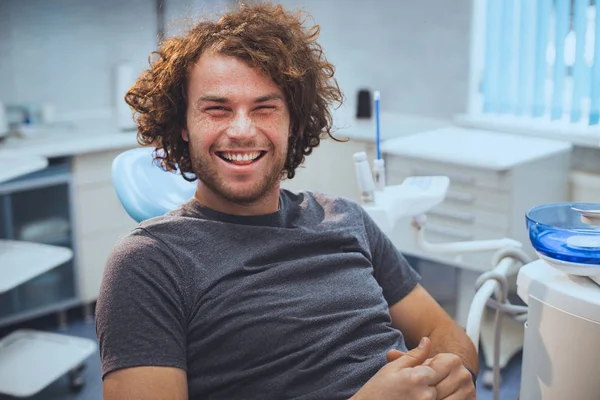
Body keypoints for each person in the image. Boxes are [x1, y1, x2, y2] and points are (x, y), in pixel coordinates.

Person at [95, 2, 478, 399]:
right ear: (183, 125)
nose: (242, 131)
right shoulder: (149, 264)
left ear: (292, 122)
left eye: (264, 108)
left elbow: (445, 333)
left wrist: (455, 369)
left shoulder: (346, 218)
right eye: (217, 110)